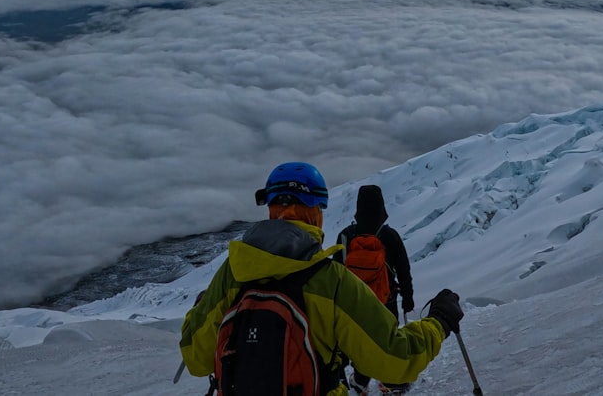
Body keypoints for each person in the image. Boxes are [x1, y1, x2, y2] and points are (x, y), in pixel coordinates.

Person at [179, 162, 464, 396]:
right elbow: (396, 359)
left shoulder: (232, 273)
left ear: (270, 209)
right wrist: (440, 321)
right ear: (315, 213)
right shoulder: (331, 281)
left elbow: (196, 357)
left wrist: (199, 310)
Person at [333, 184, 415, 395]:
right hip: (385, 302)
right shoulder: (389, 236)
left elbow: (335, 273)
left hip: (354, 304)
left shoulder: (346, 235)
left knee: (357, 342)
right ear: (381, 208)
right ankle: (392, 382)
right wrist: (408, 298)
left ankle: (359, 381)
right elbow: (403, 270)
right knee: (387, 341)